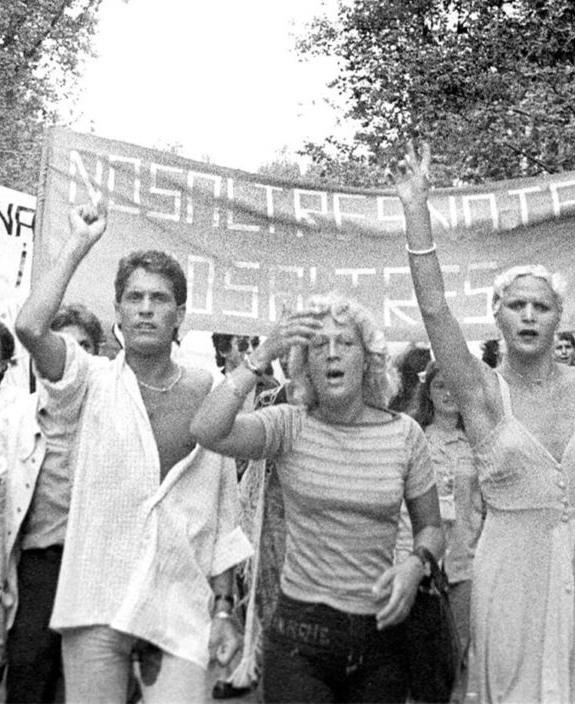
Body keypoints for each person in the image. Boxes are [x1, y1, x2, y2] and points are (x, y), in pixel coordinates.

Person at [393, 143, 575, 703]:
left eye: (542, 306)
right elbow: (434, 309)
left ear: (560, 318)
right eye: (517, 305)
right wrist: (415, 209)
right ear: (497, 316)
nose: (529, 315)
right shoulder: (481, 390)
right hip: (509, 581)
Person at [13, 197, 251, 702]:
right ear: (118, 308)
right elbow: (31, 327)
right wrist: (79, 243)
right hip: (98, 599)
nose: (146, 308)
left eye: (159, 298)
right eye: (135, 297)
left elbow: (222, 513)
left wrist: (225, 609)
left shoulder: (209, 393)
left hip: (178, 604)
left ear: (179, 313)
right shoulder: (89, 380)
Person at [190, 294, 445, 703]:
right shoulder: (288, 426)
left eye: (345, 343)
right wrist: (260, 357)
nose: (331, 354)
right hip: (298, 640)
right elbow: (207, 430)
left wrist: (416, 565)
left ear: (368, 359)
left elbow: (431, 528)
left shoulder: (405, 435)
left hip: (381, 635)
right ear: (303, 364)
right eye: (317, 345)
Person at [0, 305, 102, 703]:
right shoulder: (15, 419)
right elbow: (2, 507)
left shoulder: (112, 414)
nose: (73, 356)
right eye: (63, 345)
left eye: (85, 347)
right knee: (29, 679)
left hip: (96, 569)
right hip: (39, 570)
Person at [410, 360, 484, 702]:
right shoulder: (415, 436)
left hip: (468, 555)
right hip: (424, 559)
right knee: (425, 651)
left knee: (462, 648)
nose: (449, 393)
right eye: (441, 386)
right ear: (429, 390)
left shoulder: (480, 440)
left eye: (455, 385)